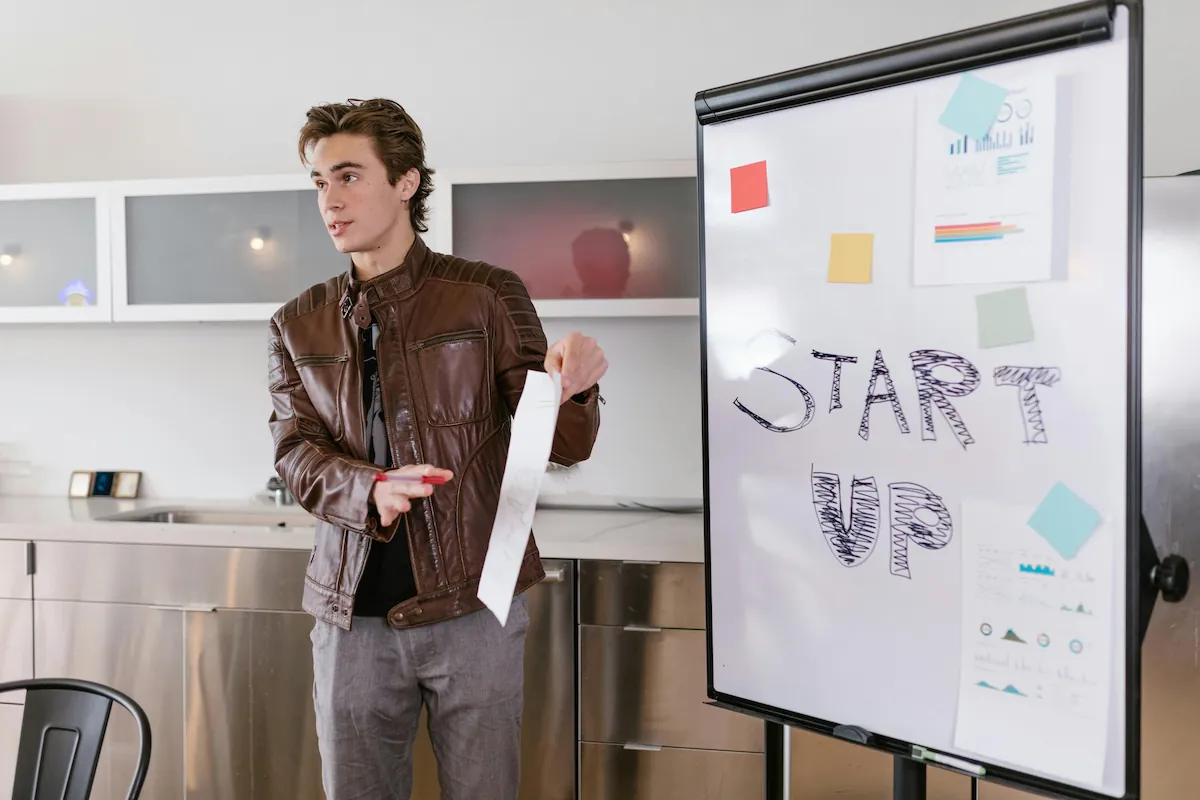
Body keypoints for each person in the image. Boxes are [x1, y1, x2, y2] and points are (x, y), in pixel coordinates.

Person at [266, 97, 608, 800]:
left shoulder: (487, 294)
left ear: (406, 182)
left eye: (349, 176)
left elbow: (560, 444)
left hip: (474, 606)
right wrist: (370, 488)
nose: (330, 200)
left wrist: (574, 387)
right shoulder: (294, 324)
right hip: (350, 616)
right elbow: (294, 453)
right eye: (320, 182)